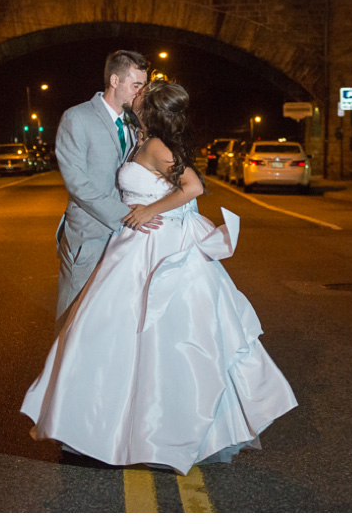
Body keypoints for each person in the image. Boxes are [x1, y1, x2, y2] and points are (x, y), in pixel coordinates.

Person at [22, 79, 297, 475]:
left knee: (160, 337)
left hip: (155, 245)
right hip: (132, 246)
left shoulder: (155, 147)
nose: (134, 96)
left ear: (150, 110)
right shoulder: (143, 139)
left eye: (141, 95)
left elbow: (193, 186)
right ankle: (109, 427)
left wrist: (152, 211)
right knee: (113, 334)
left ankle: (156, 431)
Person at [53, 50, 152, 322]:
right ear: (114, 81)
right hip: (90, 234)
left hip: (126, 238)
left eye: (144, 86)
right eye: (136, 85)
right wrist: (124, 214)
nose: (141, 92)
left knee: (112, 320)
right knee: (73, 318)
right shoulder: (77, 118)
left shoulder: (134, 124)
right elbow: (77, 183)